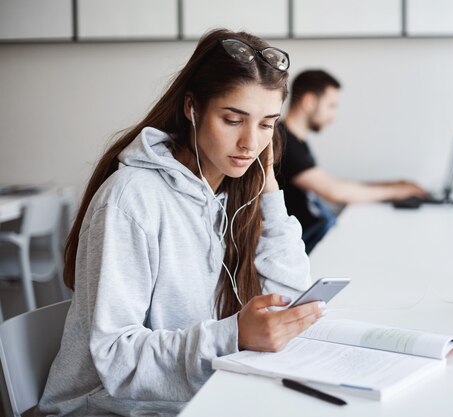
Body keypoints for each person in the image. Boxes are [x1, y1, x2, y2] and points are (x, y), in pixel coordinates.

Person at [37, 29, 324, 417]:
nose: (249, 143)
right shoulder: (131, 199)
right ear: (192, 108)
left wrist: (272, 196)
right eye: (233, 119)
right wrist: (232, 335)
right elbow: (115, 357)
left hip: (193, 398)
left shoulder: (234, 193)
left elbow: (288, 307)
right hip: (106, 408)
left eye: (266, 124)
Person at [276, 70, 427, 253]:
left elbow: (331, 184)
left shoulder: (297, 142)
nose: (333, 116)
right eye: (331, 106)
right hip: (307, 242)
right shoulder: (283, 142)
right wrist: (395, 191)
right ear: (309, 102)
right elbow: (333, 191)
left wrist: (392, 185)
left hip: (314, 235)